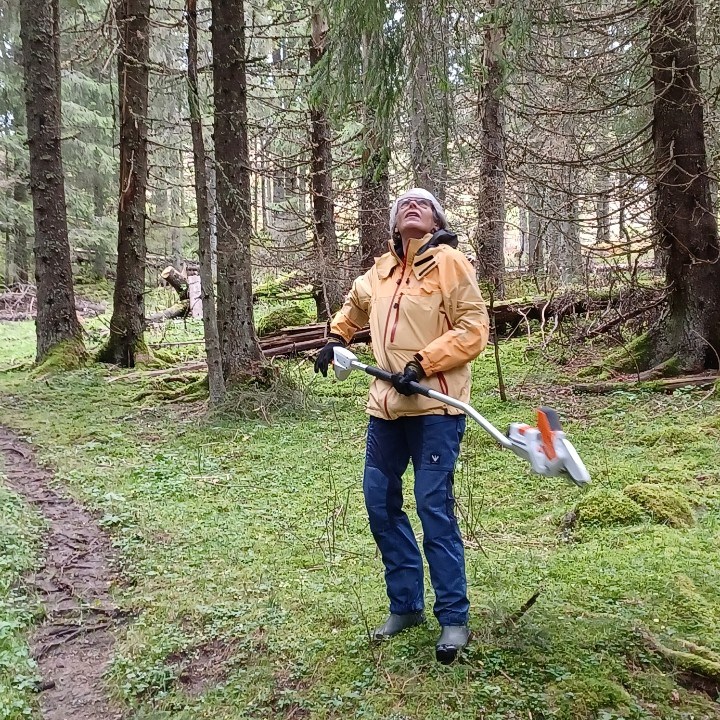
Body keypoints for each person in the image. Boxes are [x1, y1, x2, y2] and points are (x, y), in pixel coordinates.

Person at [314, 188, 489, 663]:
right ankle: (406, 605)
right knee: (379, 504)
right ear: (394, 223)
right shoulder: (380, 271)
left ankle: (453, 618)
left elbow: (473, 328)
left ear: (436, 219)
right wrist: (335, 336)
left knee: (434, 508)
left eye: (423, 203)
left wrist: (421, 365)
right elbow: (354, 306)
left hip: (436, 408)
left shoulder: (451, 264)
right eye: (404, 204)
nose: (413, 206)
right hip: (385, 408)